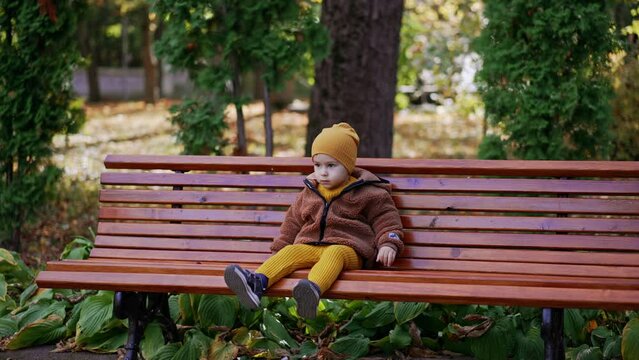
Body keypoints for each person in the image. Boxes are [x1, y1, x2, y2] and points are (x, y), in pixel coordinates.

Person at [224, 122, 404, 319]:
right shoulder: (311, 191)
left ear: (348, 165)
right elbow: (293, 222)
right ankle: (256, 283)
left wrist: (389, 242)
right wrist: (281, 249)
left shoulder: (368, 192)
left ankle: (311, 291)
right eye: (317, 165)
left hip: (349, 250)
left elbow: (386, 218)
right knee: (292, 251)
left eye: (331, 165)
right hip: (312, 245)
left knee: (335, 252)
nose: (323, 172)